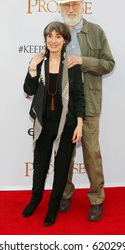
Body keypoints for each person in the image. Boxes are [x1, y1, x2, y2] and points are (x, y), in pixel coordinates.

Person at [58, 0, 115, 221]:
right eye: (67, 4)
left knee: (91, 154)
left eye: (75, 4)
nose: (71, 8)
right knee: (64, 155)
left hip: (89, 105)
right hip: (63, 106)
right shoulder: (56, 33)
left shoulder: (96, 31)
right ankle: (65, 193)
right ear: (61, 7)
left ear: (82, 5)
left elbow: (108, 64)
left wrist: (83, 60)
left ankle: (96, 199)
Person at [22, 21, 85, 227]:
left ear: (65, 40)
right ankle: (35, 200)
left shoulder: (71, 64)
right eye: (50, 36)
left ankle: (52, 208)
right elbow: (29, 90)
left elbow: (78, 96)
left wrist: (79, 124)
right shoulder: (39, 61)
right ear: (46, 39)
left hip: (66, 125)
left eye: (58, 36)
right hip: (44, 124)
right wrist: (32, 67)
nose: (53, 40)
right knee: (40, 167)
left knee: (61, 170)